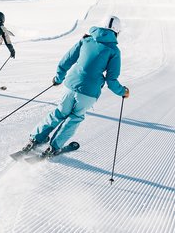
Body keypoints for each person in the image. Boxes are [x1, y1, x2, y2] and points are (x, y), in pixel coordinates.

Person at [22, 15, 129, 156]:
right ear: (117, 32)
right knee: (75, 117)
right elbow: (111, 80)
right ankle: (54, 147)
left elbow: (66, 60)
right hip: (89, 92)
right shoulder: (114, 50)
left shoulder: (86, 39)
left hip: (71, 84)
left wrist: (59, 78)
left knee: (60, 112)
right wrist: (123, 91)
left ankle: (35, 140)